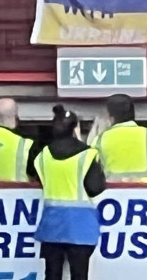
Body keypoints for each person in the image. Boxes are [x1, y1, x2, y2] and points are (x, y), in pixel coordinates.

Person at [34, 104, 105, 280]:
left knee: (52, 274)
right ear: (75, 127)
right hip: (81, 227)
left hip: (51, 225)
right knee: (79, 275)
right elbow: (95, 188)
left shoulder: (42, 155)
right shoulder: (87, 154)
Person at [94, 93, 147, 183]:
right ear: (133, 114)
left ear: (111, 118)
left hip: (112, 191)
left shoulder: (100, 139)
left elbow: (90, 169)